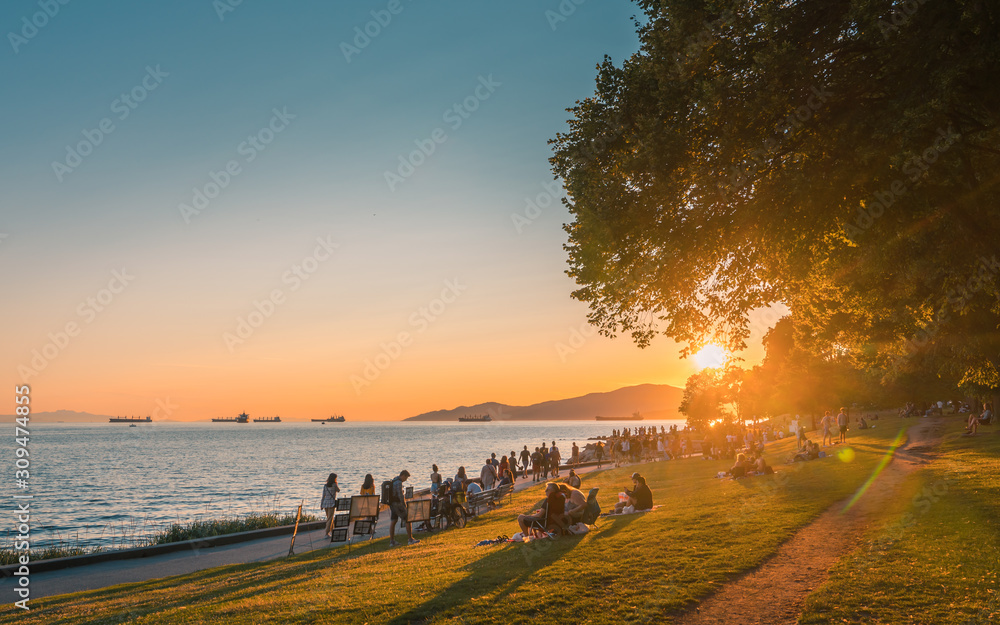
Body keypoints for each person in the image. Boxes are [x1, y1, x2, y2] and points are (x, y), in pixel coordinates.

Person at [388, 470, 419, 547]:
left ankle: (392, 541)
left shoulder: (394, 480)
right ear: (403, 475)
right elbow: (400, 495)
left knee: (393, 521)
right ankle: (410, 539)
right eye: (406, 478)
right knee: (408, 519)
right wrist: (404, 505)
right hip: (398, 504)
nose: (406, 480)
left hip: (392, 504)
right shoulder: (398, 482)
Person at [321, 473, 340, 537]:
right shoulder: (334, 485)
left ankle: (332, 531)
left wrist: (321, 505)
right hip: (331, 503)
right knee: (330, 518)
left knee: (329, 518)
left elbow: (323, 496)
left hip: (325, 503)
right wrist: (336, 484)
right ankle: (327, 532)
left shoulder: (325, 486)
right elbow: (338, 490)